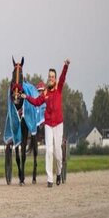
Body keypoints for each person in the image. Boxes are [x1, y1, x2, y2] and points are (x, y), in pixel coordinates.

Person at [24, 59, 70, 187]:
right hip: (49, 124)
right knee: (49, 151)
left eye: (52, 77)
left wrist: (65, 65)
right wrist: (26, 97)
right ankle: (50, 178)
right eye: (49, 76)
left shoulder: (59, 88)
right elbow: (36, 102)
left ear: (55, 79)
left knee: (57, 152)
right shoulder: (44, 93)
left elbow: (63, 77)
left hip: (58, 123)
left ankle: (59, 172)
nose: (51, 78)